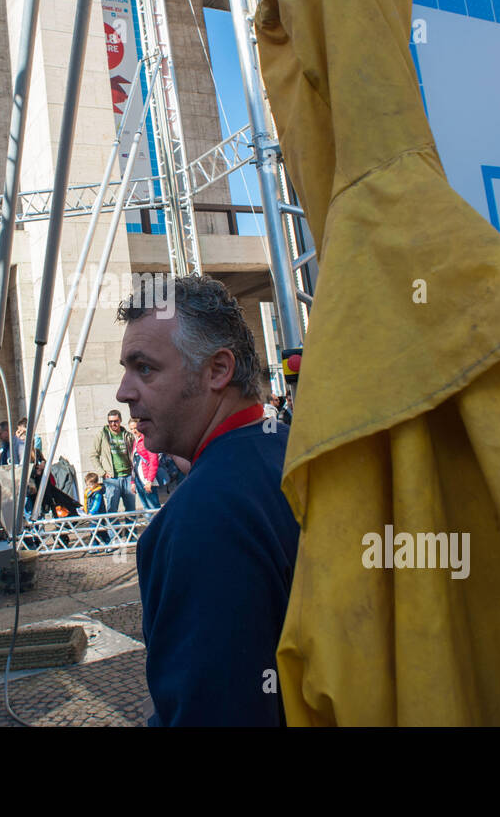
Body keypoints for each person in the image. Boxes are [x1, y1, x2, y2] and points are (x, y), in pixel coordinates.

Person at [116, 274, 298, 726]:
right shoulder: (293, 453)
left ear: (217, 370)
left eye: (145, 368)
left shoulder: (202, 518)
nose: (124, 392)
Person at [89, 408, 135, 513]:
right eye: (110, 422)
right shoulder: (102, 435)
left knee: (131, 509)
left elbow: (134, 454)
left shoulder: (128, 436)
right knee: (112, 509)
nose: (113, 424)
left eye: (115, 421)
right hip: (112, 478)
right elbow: (93, 455)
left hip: (127, 477)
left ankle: (131, 529)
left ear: (120, 421)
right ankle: (112, 530)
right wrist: (102, 472)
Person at [129, 417, 161, 511]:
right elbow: (134, 463)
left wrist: (149, 480)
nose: (133, 431)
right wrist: (133, 482)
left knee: (153, 507)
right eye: (131, 429)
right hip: (139, 479)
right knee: (146, 507)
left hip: (146, 479)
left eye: (135, 428)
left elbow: (153, 461)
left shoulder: (147, 440)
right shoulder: (136, 441)